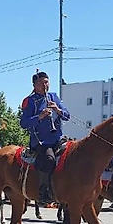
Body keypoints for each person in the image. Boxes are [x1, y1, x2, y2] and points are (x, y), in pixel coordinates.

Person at [20, 70, 70, 203]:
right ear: (35, 85)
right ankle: (43, 191)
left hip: (58, 138)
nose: (45, 85)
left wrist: (57, 110)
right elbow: (24, 123)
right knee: (49, 159)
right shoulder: (30, 101)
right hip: (41, 141)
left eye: (47, 82)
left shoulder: (54, 97)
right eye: (42, 83)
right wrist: (40, 116)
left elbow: (67, 116)